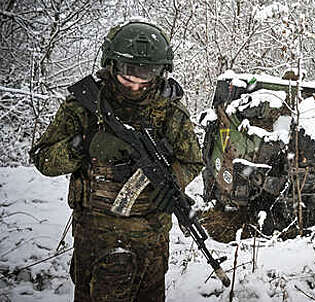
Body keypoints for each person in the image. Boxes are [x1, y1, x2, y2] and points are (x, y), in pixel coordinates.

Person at [30, 20, 204, 301]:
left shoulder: (169, 110)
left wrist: (166, 184)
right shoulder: (84, 105)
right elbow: (43, 158)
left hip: (152, 239)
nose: (135, 85)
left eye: (145, 77)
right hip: (96, 237)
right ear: (111, 64)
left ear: (160, 72)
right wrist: (84, 145)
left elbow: (193, 161)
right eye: (126, 75)